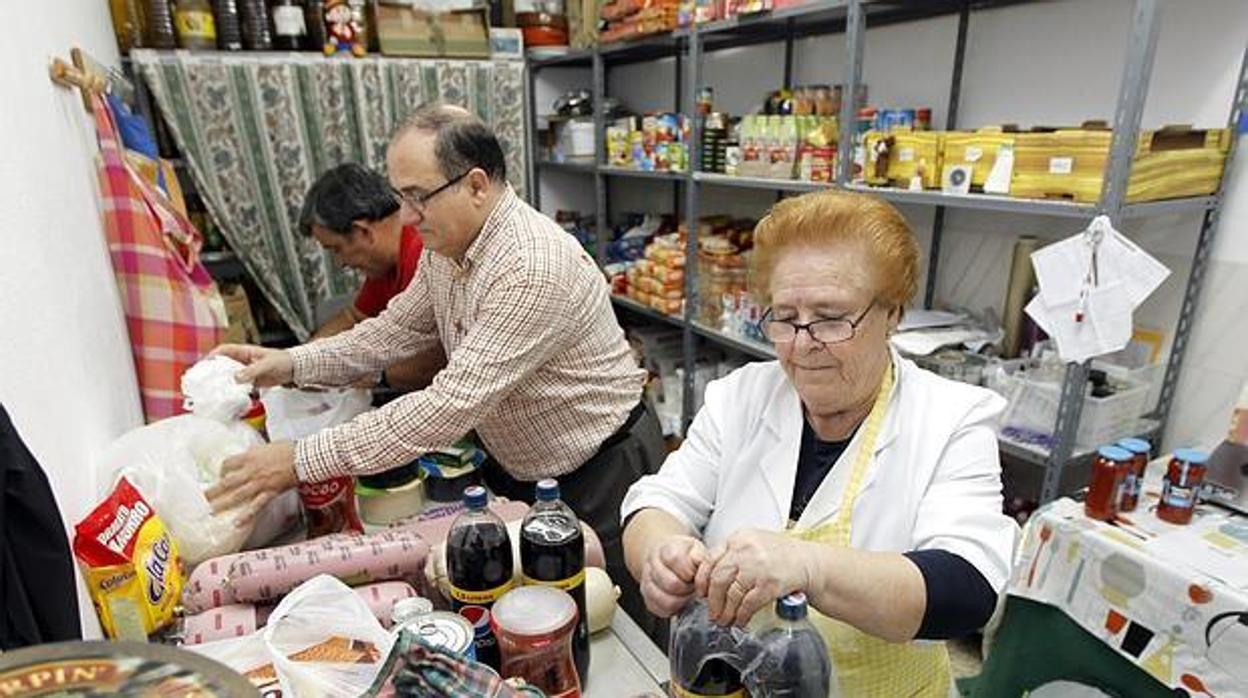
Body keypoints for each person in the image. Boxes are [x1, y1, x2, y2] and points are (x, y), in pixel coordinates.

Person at [206, 103, 665, 628]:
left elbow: (446, 406)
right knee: (536, 620)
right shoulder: (446, 248)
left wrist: (302, 459)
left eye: (417, 197)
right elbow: (392, 330)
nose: (405, 217)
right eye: (400, 197)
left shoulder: (532, 267)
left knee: (615, 621)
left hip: (602, 471)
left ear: (474, 185)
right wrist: (289, 363)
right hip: (529, 472)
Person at [620, 190, 1018, 696]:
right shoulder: (741, 398)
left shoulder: (950, 418)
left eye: (831, 318)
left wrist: (808, 566)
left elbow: (966, 588)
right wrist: (660, 554)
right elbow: (657, 502)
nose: (803, 344)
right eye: (785, 317)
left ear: (892, 312)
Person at [299, 163, 445, 391]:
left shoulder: (427, 254)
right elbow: (354, 317)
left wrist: (371, 375)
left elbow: (439, 360)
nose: (341, 263)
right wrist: (301, 360)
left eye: (336, 249)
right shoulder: (384, 265)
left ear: (363, 232)